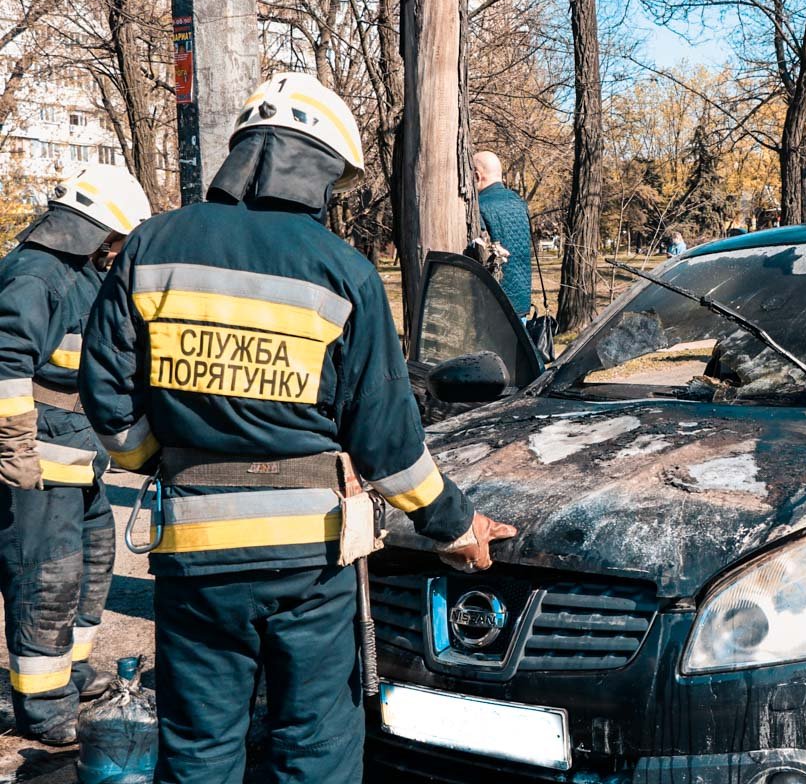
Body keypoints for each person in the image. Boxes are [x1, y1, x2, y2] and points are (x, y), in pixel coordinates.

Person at [79, 72, 517, 783]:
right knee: (313, 748)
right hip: (306, 566)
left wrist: (165, 462)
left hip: (194, 558)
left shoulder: (152, 248)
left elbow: (105, 396)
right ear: (316, 169)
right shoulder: (342, 271)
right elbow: (388, 445)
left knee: (197, 750)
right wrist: (457, 525)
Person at [0, 165, 150, 745]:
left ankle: (73, 675)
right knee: (47, 582)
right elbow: (5, 363)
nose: (118, 248)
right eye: (116, 236)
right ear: (96, 228)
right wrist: (14, 451)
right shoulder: (35, 276)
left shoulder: (79, 274)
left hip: (77, 461)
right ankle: (42, 708)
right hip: (37, 468)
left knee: (91, 567)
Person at [473, 151, 532, 317]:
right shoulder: (519, 203)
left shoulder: (479, 207)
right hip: (522, 300)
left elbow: (480, 255)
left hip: (493, 303)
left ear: (477, 176)